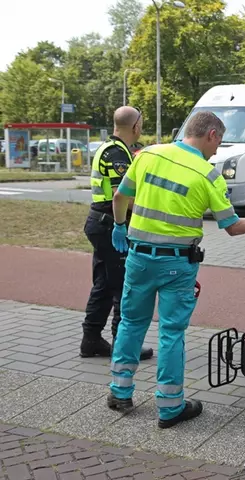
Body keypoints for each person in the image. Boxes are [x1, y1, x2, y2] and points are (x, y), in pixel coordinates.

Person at [106, 111, 245, 429]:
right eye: (219, 142)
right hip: (177, 264)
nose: (217, 150)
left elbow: (120, 196)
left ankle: (120, 392)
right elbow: (233, 227)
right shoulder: (208, 174)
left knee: (131, 323)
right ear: (211, 134)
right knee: (171, 333)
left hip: (138, 257)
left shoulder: (148, 154)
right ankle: (170, 408)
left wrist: (118, 226)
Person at [80, 106, 154, 361]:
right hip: (110, 225)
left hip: (100, 223)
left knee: (104, 283)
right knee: (122, 285)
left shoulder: (110, 148)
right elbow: (119, 196)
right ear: (136, 126)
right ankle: (123, 346)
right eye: (141, 122)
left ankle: (91, 340)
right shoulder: (116, 153)